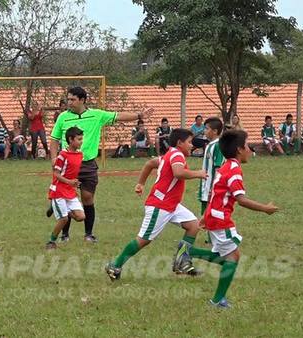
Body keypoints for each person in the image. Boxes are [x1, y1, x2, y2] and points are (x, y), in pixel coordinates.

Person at [186, 130, 279, 308]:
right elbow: (241, 200)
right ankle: (216, 299)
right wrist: (265, 209)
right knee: (233, 258)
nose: (249, 150)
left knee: (227, 256)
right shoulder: (234, 170)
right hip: (221, 219)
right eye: (247, 146)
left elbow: (215, 193)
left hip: (215, 216)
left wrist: (206, 217)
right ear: (239, 149)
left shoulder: (226, 166)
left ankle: (189, 253)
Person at [49, 86, 153, 243]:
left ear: (82, 100)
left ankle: (88, 234)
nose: (69, 102)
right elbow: (54, 139)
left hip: (88, 163)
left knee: (88, 197)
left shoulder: (97, 115)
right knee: (65, 197)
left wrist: (139, 115)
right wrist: (53, 159)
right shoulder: (63, 117)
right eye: (68, 99)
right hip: (68, 164)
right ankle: (65, 235)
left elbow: (118, 116)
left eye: (72, 99)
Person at [104, 129, 208, 280]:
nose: (192, 145)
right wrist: (198, 173)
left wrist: (141, 183)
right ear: (179, 143)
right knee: (143, 240)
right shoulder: (177, 154)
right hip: (160, 205)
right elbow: (178, 173)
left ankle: (182, 262)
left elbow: (150, 163)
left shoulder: (170, 154)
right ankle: (115, 265)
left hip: (171, 204)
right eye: (189, 142)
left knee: (193, 225)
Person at [45, 127, 86, 249]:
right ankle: (51, 242)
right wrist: (69, 182)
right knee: (63, 219)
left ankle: (56, 208)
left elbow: (72, 172)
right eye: (79, 139)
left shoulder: (80, 154)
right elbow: (56, 174)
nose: (81, 141)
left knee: (81, 217)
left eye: (81, 139)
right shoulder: (62, 155)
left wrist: (75, 183)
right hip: (59, 190)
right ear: (70, 140)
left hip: (70, 190)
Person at [198, 117, 225, 216]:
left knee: (210, 218)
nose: (204, 131)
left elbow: (218, 169)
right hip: (206, 187)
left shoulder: (218, 146)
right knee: (205, 218)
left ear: (214, 131)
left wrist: (213, 188)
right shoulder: (209, 145)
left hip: (211, 189)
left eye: (206, 128)